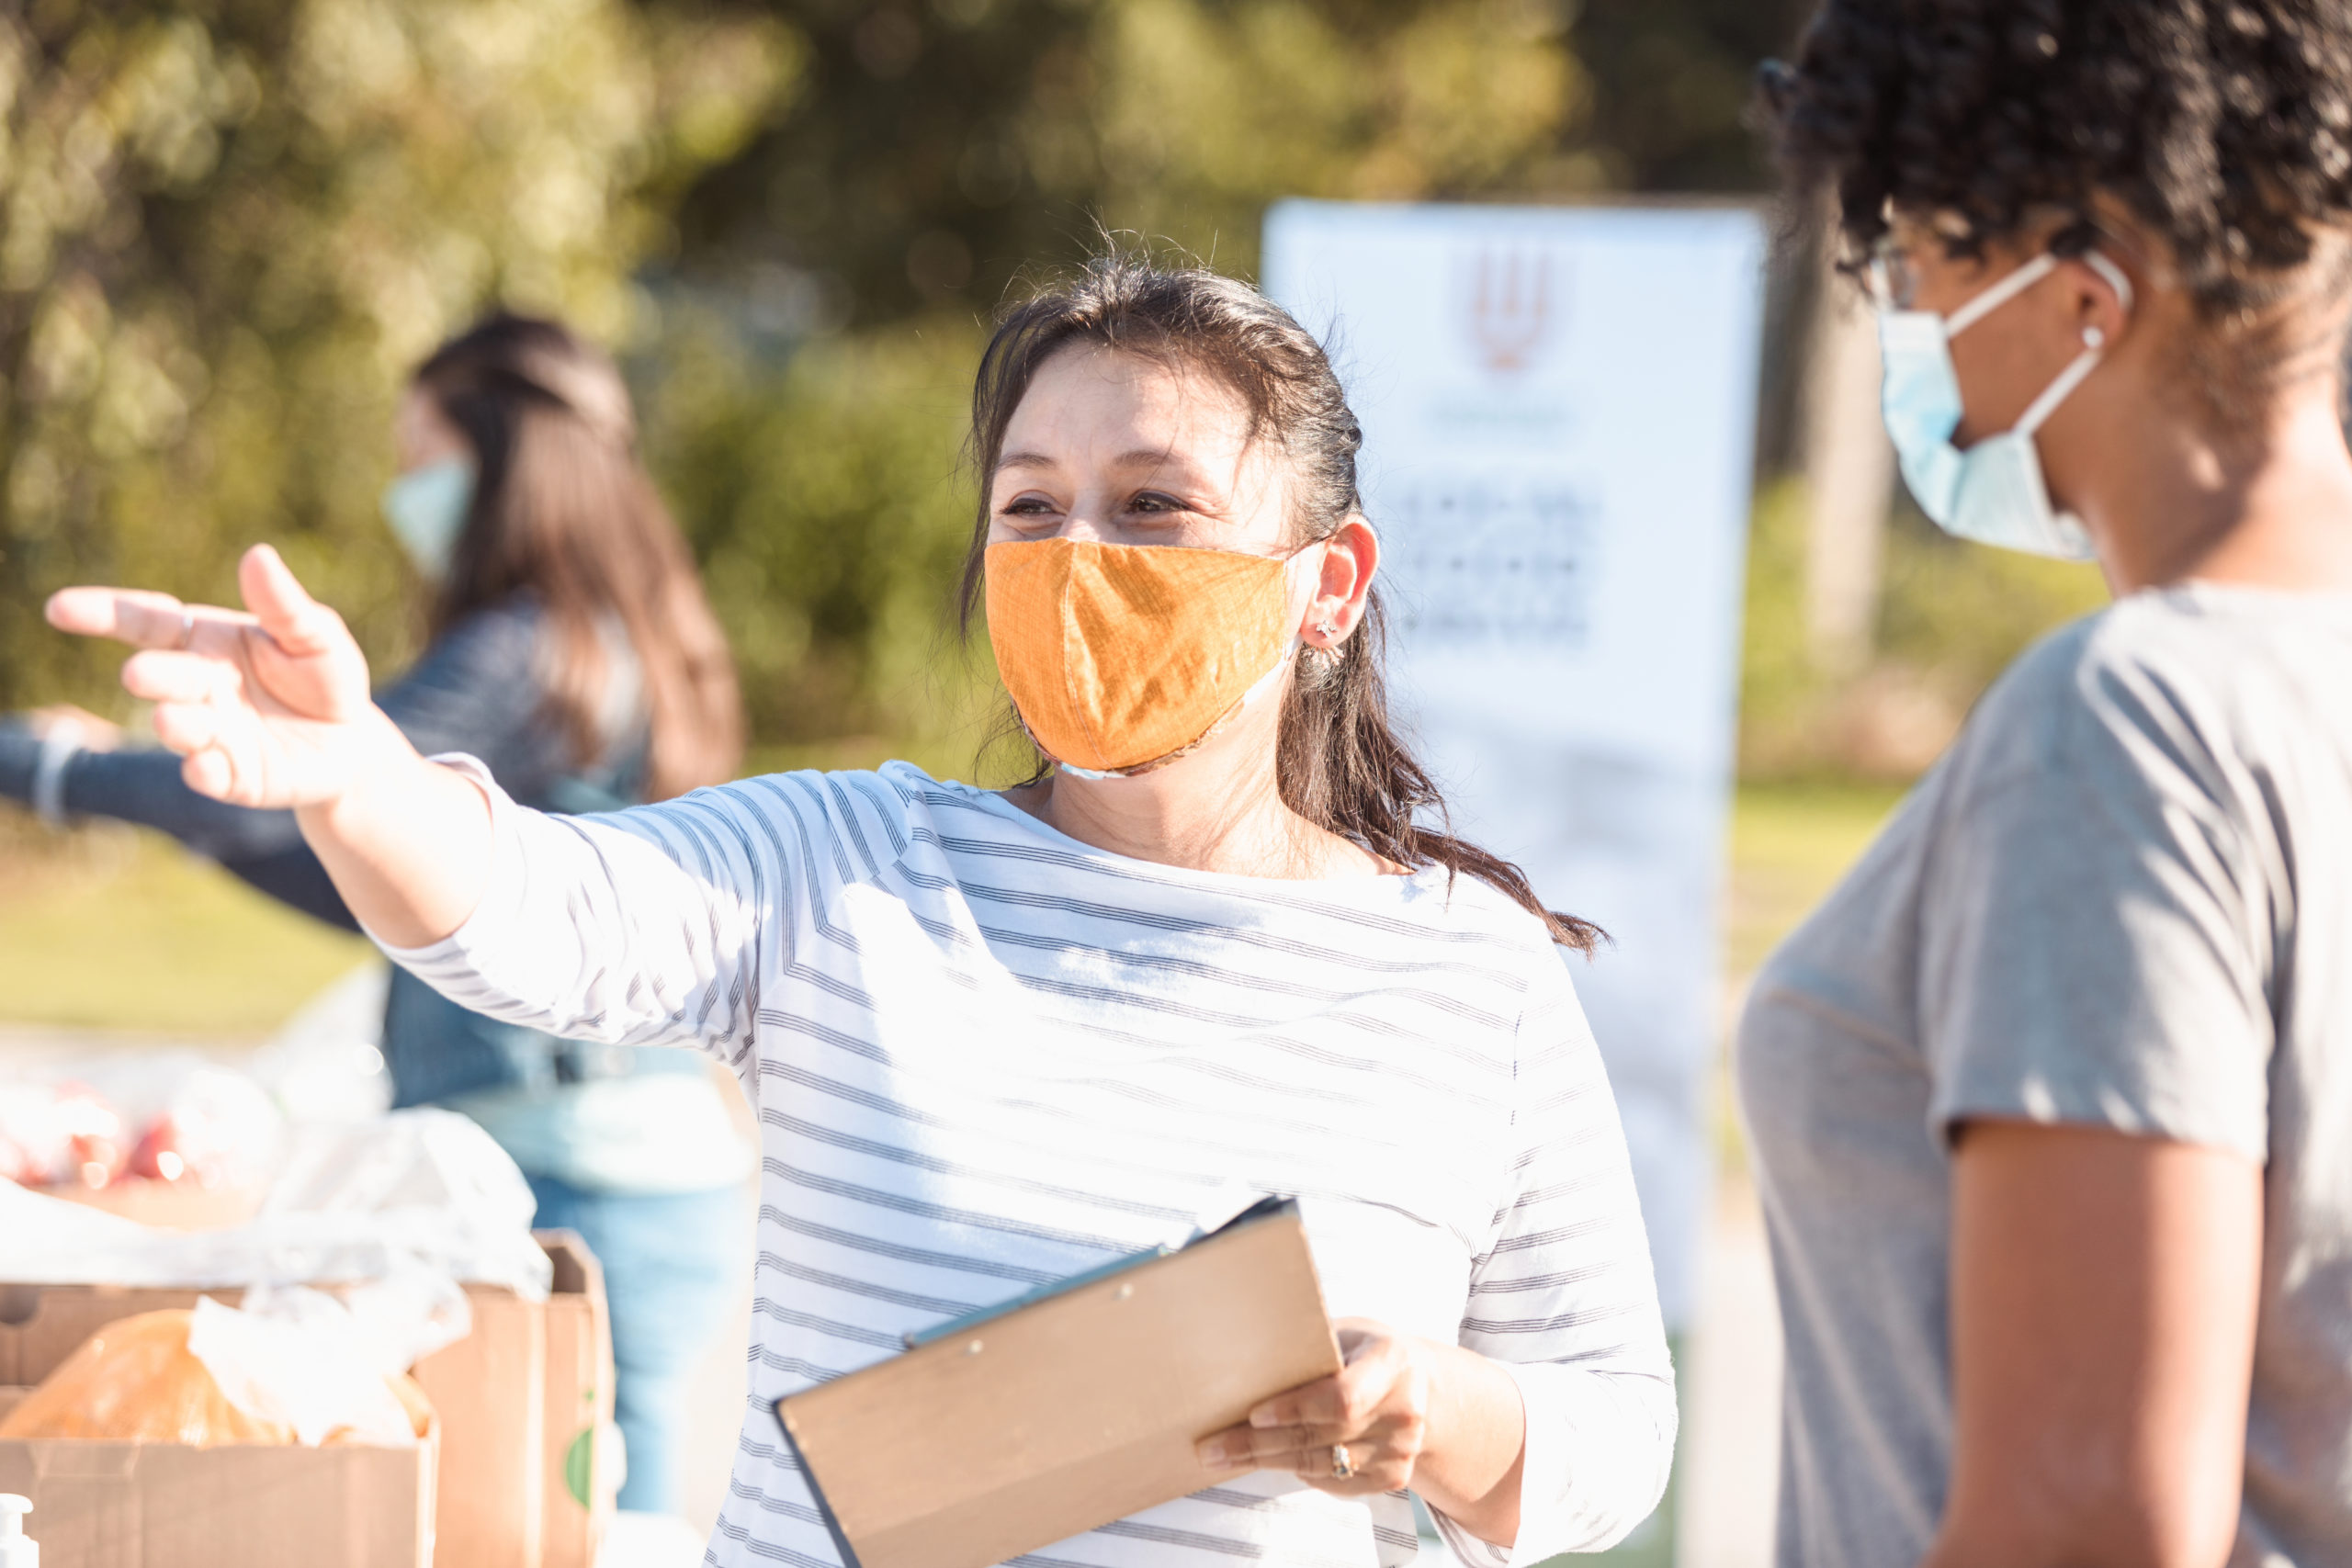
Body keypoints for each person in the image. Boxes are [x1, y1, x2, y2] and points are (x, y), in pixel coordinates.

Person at [38, 256, 1676, 1566]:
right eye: (1030, 507)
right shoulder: (852, 865)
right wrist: (358, 778)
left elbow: (1615, 1429)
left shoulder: (1469, 970)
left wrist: (1442, 1413)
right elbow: (534, 908)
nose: (1077, 553)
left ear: (1328, 584)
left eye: (1152, 506)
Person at [1739, 5, 2352, 1565]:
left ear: (2086, 297)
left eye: (1919, 267)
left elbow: (2088, 1514)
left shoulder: (2131, 726)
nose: (1912, 326)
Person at [0, 314, 753, 1517]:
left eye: (422, 460)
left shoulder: (528, 652)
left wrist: (52, 770)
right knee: (624, 1527)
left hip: (560, 1179)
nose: (407, 495)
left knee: (528, 1526)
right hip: (664, 1174)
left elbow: (314, 780)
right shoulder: (643, 645)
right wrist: (223, 819)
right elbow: (373, 879)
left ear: (504, 465)